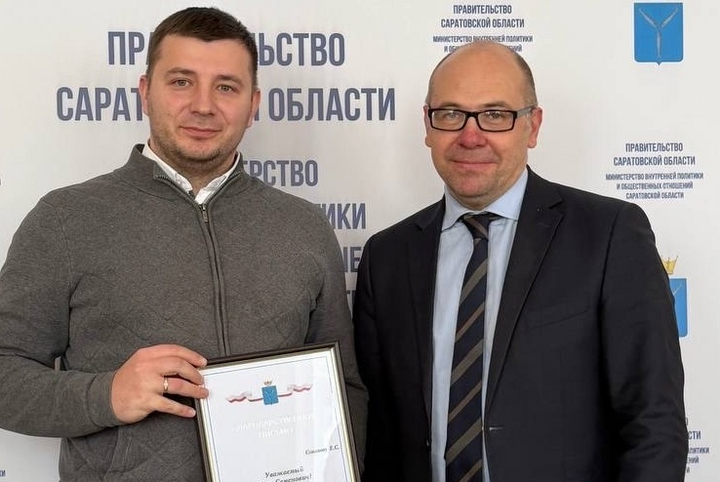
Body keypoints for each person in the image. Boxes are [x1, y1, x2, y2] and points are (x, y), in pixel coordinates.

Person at [0, 7, 366, 481]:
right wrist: (106, 395)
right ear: (145, 91)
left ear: (253, 104)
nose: (203, 106)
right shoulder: (66, 219)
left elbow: (343, 388)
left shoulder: (304, 225)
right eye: (181, 82)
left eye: (226, 87)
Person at [353, 41, 686, 482]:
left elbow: (653, 424)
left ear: (533, 126)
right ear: (428, 125)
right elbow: (379, 436)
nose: (470, 136)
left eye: (495, 115)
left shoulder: (609, 235)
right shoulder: (386, 258)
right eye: (451, 114)